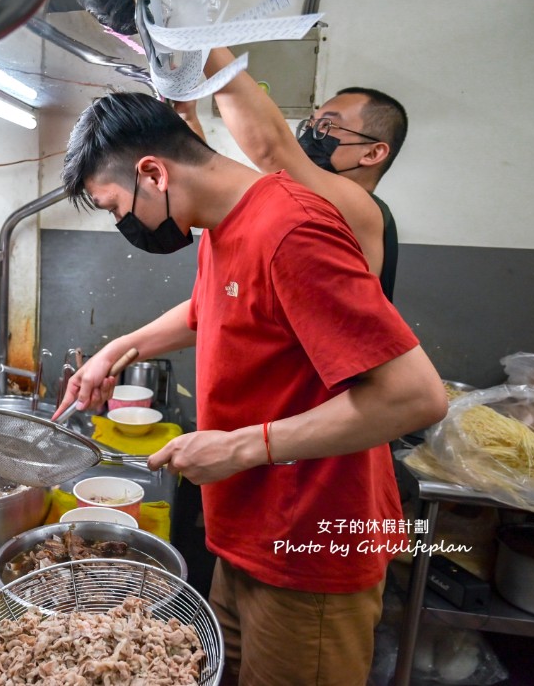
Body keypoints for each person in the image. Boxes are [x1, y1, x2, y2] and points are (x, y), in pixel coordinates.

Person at [55, 91, 447, 685]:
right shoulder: (225, 220)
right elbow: (207, 310)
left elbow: (415, 395)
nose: (123, 224)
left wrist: (239, 447)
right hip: (248, 534)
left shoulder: (292, 229)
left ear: (153, 173)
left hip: (307, 547)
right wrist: (115, 348)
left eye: (116, 207)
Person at [174, 47, 408, 300]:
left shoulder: (364, 211)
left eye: (327, 125)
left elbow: (270, 150)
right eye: (311, 123)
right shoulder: (292, 203)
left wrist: (203, 41)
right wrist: (187, 117)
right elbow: (210, 180)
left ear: (373, 154)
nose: (310, 133)